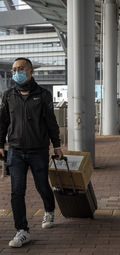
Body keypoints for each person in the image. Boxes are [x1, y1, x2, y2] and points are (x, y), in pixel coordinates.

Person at [0, 57, 63, 248]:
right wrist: (0, 143)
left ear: (30, 71)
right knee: (17, 191)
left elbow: (51, 122)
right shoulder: (8, 95)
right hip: (16, 151)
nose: (16, 72)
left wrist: (57, 145)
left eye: (20, 68)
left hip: (38, 151)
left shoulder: (43, 95)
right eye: (14, 69)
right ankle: (22, 231)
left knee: (42, 185)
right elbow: (2, 122)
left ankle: (49, 209)